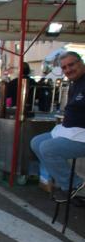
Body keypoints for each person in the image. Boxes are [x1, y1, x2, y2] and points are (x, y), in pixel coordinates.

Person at [31, 51, 85, 202]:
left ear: (80, 62)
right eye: (65, 67)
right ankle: (66, 183)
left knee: (48, 148)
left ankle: (75, 186)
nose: (68, 70)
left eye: (71, 64)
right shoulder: (75, 83)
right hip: (70, 131)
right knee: (36, 142)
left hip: (82, 134)